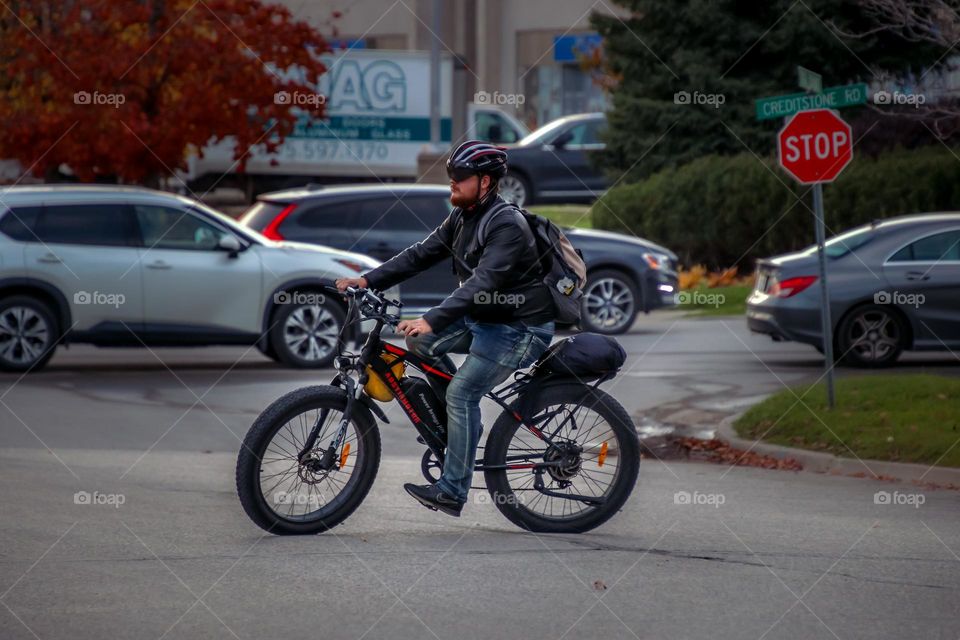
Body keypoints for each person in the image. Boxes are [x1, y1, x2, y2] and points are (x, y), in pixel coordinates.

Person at [335, 140, 556, 517]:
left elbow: (484, 281)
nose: (451, 183)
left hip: (520, 329)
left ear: (485, 182)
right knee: (420, 344)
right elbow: (421, 254)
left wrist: (433, 317)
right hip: (484, 320)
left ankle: (453, 490)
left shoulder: (507, 225)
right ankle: (459, 430)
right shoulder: (462, 216)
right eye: (450, 176)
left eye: (460, 177)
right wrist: (368, 281)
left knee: (461, 395)